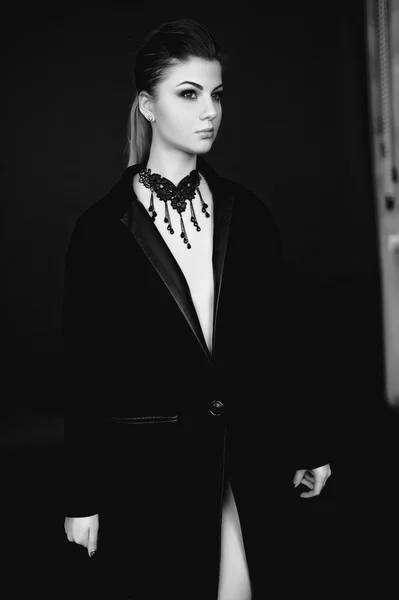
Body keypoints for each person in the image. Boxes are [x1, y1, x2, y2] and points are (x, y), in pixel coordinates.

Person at [62, 17, 332, 600]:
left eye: (215, 94)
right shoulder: (101, 231)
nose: (209, 110)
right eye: (188, 94)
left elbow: (279, 341)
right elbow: (85, 369)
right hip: (152, 472)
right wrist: (81, 497)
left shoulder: (248, 213)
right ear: (147, 105)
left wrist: (308, 442)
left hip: (249, 457)